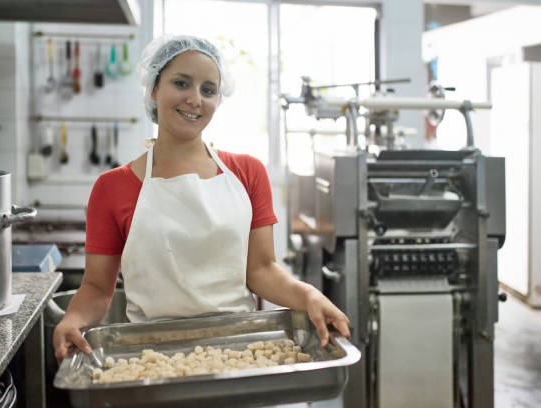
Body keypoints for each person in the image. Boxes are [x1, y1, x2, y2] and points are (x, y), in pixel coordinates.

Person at [53, 35, 350, 364]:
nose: (195, 99)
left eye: (208, 90)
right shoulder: (112, 187)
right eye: (182, 83)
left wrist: (308, 295)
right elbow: (96, 288)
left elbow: (262, 270)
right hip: (151, 357)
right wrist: (73, 320)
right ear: (154, 88)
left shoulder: (247, 172)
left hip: (239, 352)